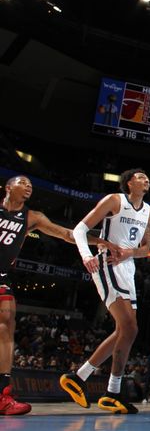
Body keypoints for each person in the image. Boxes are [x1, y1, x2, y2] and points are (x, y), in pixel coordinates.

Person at [0, 176, 113, 416]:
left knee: (6, 322)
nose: (29, 186)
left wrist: (96, 240)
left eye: (31, 184)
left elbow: (66, 234)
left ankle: (2, 394)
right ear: (9, 187)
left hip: (1, 276)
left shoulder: (33, 217)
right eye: (23, 183)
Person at [60, 169, 150, 414]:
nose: (146, 180)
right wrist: (86, 255)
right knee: (130, 327)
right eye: (140, 177)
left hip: (128, 267)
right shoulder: (114, 200)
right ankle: (112, 392)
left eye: (147, 178)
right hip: (107, 262)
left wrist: (130, 253)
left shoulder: (149, 211)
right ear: (129, 183)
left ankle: (80, 378)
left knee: (124, 330)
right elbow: (80, 230)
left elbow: (145, 248)